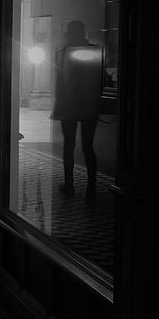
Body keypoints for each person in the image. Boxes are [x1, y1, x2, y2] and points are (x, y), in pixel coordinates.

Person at [51, 19, 103, 202]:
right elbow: (100, 79)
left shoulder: (62, 53)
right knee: (88, 147)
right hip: (89, 105)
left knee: (69, 146)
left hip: (69, 106)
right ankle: (91, 188)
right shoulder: (95, 51)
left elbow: (59, 83)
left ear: (69, 33)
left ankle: (69, 184)